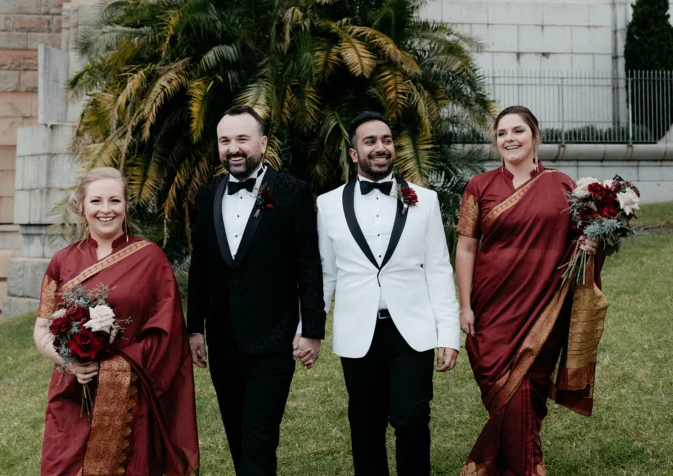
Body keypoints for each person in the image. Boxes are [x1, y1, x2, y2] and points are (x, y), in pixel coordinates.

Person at [456, 106, 606, 475]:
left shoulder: (563, 186)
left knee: (525, 392)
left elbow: (581, 242)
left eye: (518, 130)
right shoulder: (479, 186)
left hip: (544, 309)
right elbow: (466, 248)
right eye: (502, 133)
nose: (509, 139)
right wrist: (465, 306)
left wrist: (591, 244)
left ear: (535, 135)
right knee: (504, 394)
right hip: (491, 308)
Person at [313, 111, 460, 475]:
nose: (381, 147)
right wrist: (310, 329)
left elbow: (438, 268)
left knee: (412, 418)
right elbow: (326, 274)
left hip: (411, 330)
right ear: (354, 153)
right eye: (370, 141)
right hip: (357, 331)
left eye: (387, 140)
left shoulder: (425, 200)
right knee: (365, 426)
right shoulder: (327, 204)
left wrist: (448, 334)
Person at [187, 105, 326, 475]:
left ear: (263, 143)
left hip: (273, 340)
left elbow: (309, 265)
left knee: (259, 440)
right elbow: (200, 265)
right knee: (237, 437)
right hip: (222, 340)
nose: (233, 148)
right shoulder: (207, 194)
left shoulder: (293, 191)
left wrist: (312, 329)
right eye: (225, 141)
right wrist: (194, 327)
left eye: (242, 139)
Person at [33, 167, 199, 475]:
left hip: (132, 398)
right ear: (81, 206)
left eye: (115, 200)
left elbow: (169, 331)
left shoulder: (150, 258)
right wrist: (70, 361)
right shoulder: (62, 261)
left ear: (126, 205)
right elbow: (42, 327)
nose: (106, 209)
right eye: (96, 201)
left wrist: (116, 366)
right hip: (72, 393)